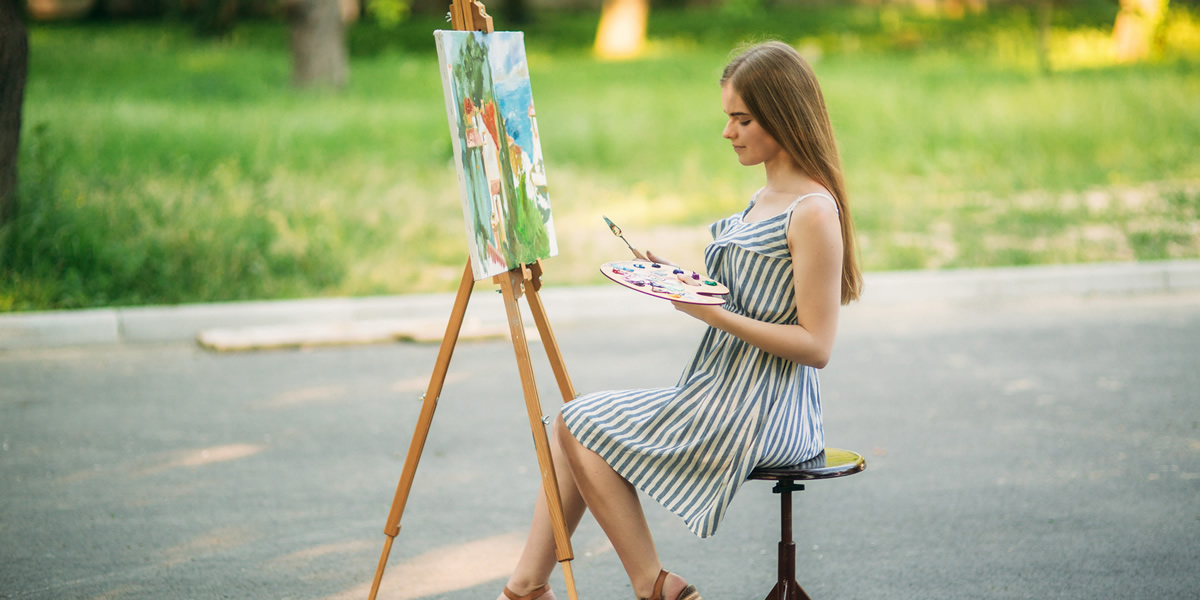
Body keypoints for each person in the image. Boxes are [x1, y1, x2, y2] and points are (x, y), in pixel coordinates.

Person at [497, 40, 862, 600]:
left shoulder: (810, 210)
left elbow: (816, 344)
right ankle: (526, 588)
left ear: (784, 116)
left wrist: (710, 313)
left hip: (767, 410)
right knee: (572, 427)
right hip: (722, 392)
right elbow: (751, 296)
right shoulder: (766, 195)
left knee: (576, 423)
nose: (728, 132)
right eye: (728, 118)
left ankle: (652, 585)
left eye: (742, 119)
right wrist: (683, 281)